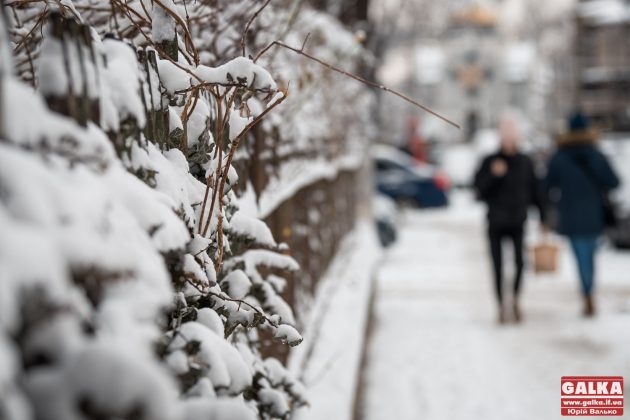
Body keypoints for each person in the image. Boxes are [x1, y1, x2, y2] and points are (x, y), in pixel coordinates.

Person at [545, 112, 620, 317]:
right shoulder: (597, 154)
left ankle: (586, 291)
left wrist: (551, 206)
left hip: (570, 215)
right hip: (594, 215)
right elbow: (614, 181)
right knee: (590, 256)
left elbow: (547, 185)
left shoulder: (559, 156)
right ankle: (589, 291)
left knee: (580, 256)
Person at [473, 114, 546, 324]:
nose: (509, 140)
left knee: (520, 264)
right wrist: (494, 176)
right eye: (506, 135)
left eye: (512, 135)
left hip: (517, 221)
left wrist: (543, 217)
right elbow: (478, 191)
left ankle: (514, 298)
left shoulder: (525, 161)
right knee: (497, 267)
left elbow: (535, 190)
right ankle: (500, 306)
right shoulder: (490, 161)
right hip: (495, 222)